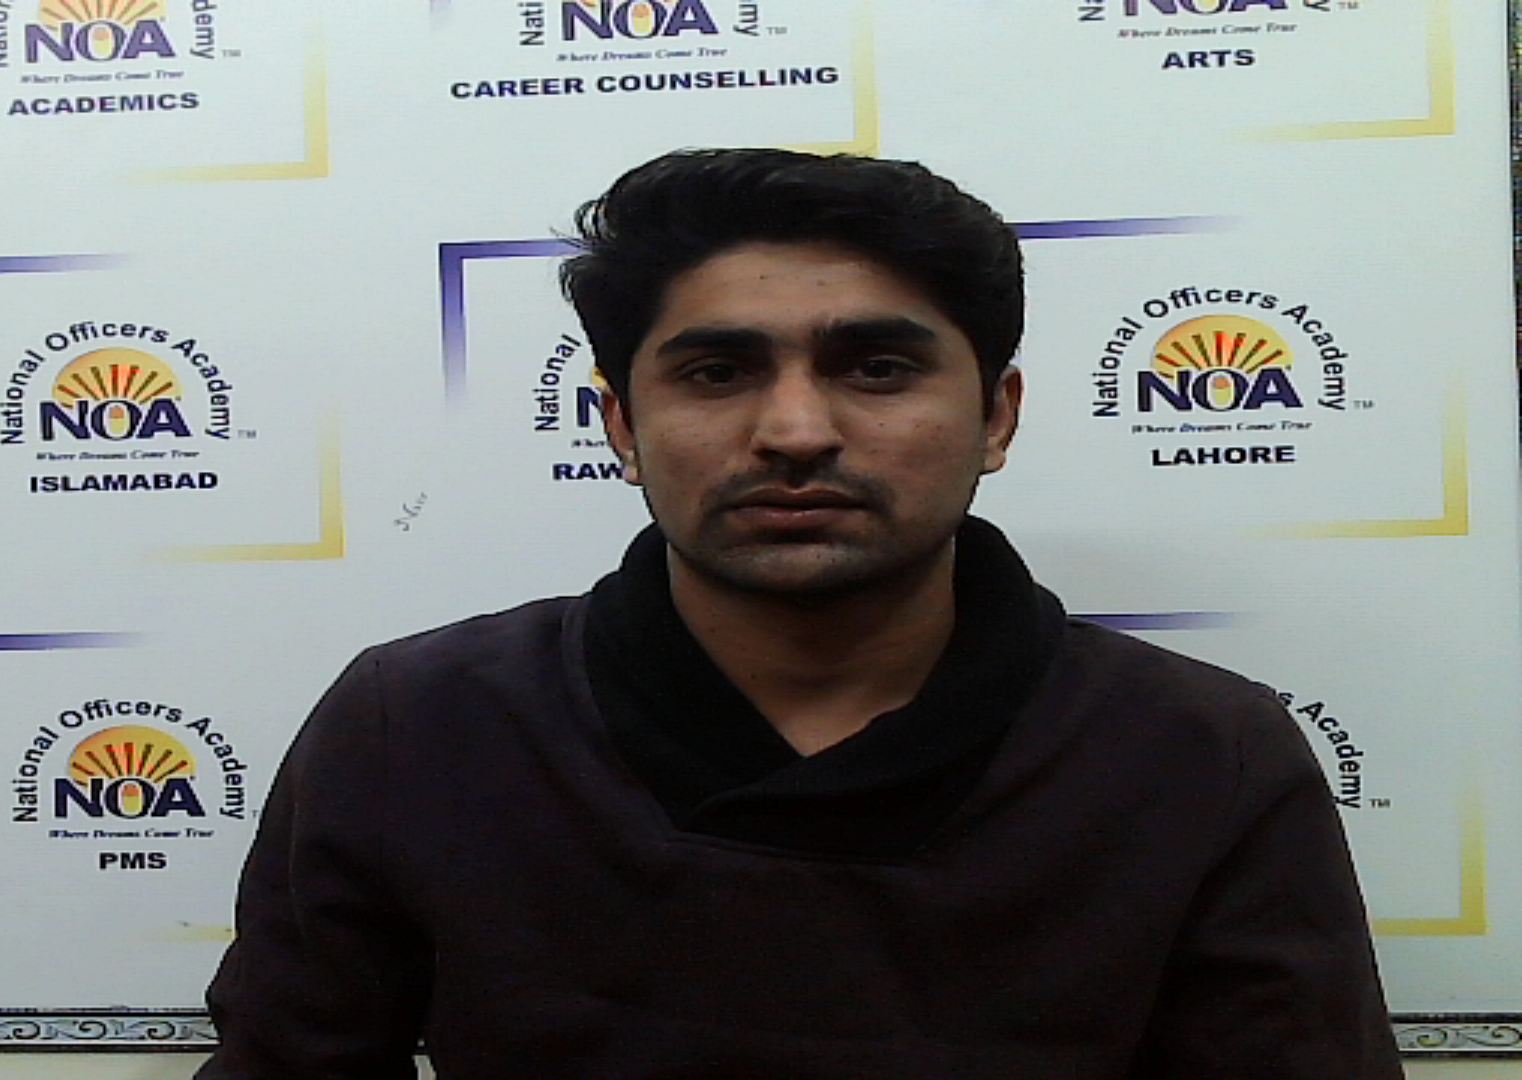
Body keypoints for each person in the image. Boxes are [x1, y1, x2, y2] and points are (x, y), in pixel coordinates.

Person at [196, 149, 1402, 1078]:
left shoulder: (1200, 754)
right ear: (621, 425)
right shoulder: (420, 725)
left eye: (876, 368)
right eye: (716, 373)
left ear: (996, 417)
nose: (795, 432)